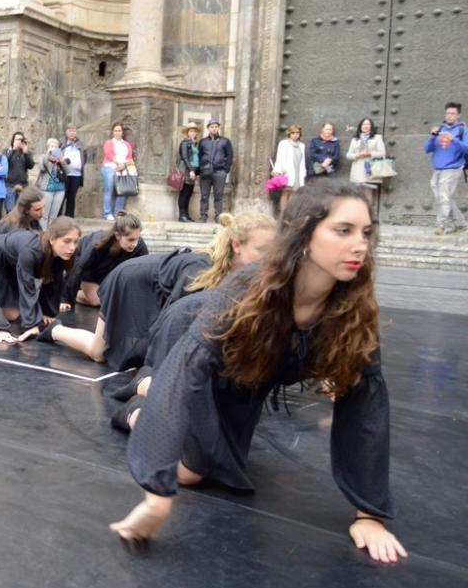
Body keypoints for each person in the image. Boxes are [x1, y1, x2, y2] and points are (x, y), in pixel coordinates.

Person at [109, 180, 407, 566]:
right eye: (343, 230)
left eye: (366, 232)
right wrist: (156, 494)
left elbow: (365, 398)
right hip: (193, 335)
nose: (360, 245)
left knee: (218, 466)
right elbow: (187, 370)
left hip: (250, 372)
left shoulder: (353, 304)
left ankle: (155, 396)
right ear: (303, 234)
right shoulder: (246, 290)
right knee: (189, 474)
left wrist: (370, 515)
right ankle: (138, 403)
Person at [41, 212, 276, 370]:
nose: (269, 258)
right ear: (236, 245)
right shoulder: (200, 269)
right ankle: (55, 331)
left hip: (146, 285)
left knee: (114, 352)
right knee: (99, 352)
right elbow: (172, 320)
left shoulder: (229, 271)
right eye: (262, 250)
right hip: (128, 280)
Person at [0, 216, 81, 340]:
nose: (72, 247)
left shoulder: (60, 254)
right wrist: (32, 324)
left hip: (10, 263)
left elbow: (54, 280)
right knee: (13, 314)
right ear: (52, 239)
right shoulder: (31, 251)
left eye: (75, 241)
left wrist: (48, 312)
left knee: (17, 309)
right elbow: (27, 285)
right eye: (67, 241)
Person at [60, 212, 148, 309]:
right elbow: (77, 268)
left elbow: (146, 271)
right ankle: (77, 294)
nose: (134, 244)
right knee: (98, 301)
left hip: (109, 275)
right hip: (89, 273)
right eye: (130, 240)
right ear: (118, 235)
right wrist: (66, 298)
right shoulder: (97, 243)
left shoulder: (139, 246)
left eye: (137, 239)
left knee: (114, 300)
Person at [424, 102, 467, 235]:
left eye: (453, 113)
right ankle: (461, 223)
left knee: (444, 195)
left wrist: (453, 139)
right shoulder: (439, 129)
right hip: (438, 168)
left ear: (458, 115)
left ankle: (441, 225)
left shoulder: (463, 130)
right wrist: (432, 137)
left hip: (453, 167)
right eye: (448, 113)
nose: (449, 116)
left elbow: (466, 148)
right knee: (445, 197)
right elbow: (427, 149)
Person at [197, 118, 234, 222]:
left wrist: (225, 170)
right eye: (211, 127)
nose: (214, 129)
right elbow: (199, 157)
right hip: (205, 172)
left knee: (219, 196)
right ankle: (203, 216)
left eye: (216, 127)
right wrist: (198, 171)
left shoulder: (225, 141)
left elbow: (230, 156)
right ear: (208, 128)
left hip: (219, 172)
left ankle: (218, 217)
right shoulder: (203, 142)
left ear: (218, 128)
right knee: (204, 196)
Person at [346, 118, 386, 205]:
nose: (366, 126)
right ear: (360, 126)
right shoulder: (355, 139)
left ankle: (369, 216)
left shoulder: (377, 137)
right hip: (358, 170)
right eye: (364, 124)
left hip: (370, 169)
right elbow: (348, 155)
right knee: (358, 196)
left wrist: (370, 153)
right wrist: (358, 155)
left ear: (371, 126)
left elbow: (382, 153)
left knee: (368, 194)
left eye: (368, 124)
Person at [100, 122, 134, 220]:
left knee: (123, 190)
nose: (117, 132)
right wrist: (118, 164)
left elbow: (130, 157)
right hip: (109, 167)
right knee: (109, 188)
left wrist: (124, 165)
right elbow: (109, 154)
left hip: (123, 168)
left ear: (122, 132)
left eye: (119, 130)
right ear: (113, 132)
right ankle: (107, 213)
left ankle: (118, 212)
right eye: (115, 131)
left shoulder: (127, 144)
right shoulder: (109, 143)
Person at [272, 124, 307, 215]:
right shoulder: (284, 143)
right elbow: (280, 157)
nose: (295, 135)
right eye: (293, 133)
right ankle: (283, 213)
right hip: (287, 171)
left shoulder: (302, 145)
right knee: (285, 192)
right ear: (289, 134)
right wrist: (278, 170)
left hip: (297, 172)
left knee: (294, 193)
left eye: (297, 133)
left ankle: (290, 213)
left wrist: (303, 173)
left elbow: (302, 160)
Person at [37, 141, 67, 228]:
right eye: (51, 146)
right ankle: (43, 235)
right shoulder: (44, 158)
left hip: (60, 189)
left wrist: (62, 161)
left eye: (55, 146)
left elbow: (67, 171)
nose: (53, 148)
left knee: (53, 216)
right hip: (47, 189)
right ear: (47, 147)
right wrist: (48, 155)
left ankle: (50, 235)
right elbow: (42, 167)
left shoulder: (60, 159)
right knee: (44, 216)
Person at [4, 131, 35, 212]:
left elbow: (31, 166)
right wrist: (13, 150)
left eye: (21, 140)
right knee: (10, 209)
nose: (19, 142)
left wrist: (25, 153)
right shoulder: (7, 151)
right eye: (17, 139)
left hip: (23, 185)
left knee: (22, 211)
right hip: (10, 185)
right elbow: (4, 163)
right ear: (13, 141)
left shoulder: (27, 152)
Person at [176, 123, 200, 222]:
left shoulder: (195, 143)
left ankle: (186, 214)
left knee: (189, 192)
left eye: (194, 131)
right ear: (187, 133)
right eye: (190, 131)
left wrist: (196, 172)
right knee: (184, 193)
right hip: (186, 169)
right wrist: (190, 170)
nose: (193, 133)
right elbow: (185, 157)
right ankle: (181, 215)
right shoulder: (185, 143)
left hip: (193, 170)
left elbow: (196, 158)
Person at [61, 123, 87, 218]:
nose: (72, 133)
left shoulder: (80, 144)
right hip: (65, 174)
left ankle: (69, 217)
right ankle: (58, 216)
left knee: (72, 198)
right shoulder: (63, 144)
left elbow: (84, 157)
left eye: (74, 131)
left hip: (76, 175)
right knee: (62, 196)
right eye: (70, 130)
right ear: (66, 132)